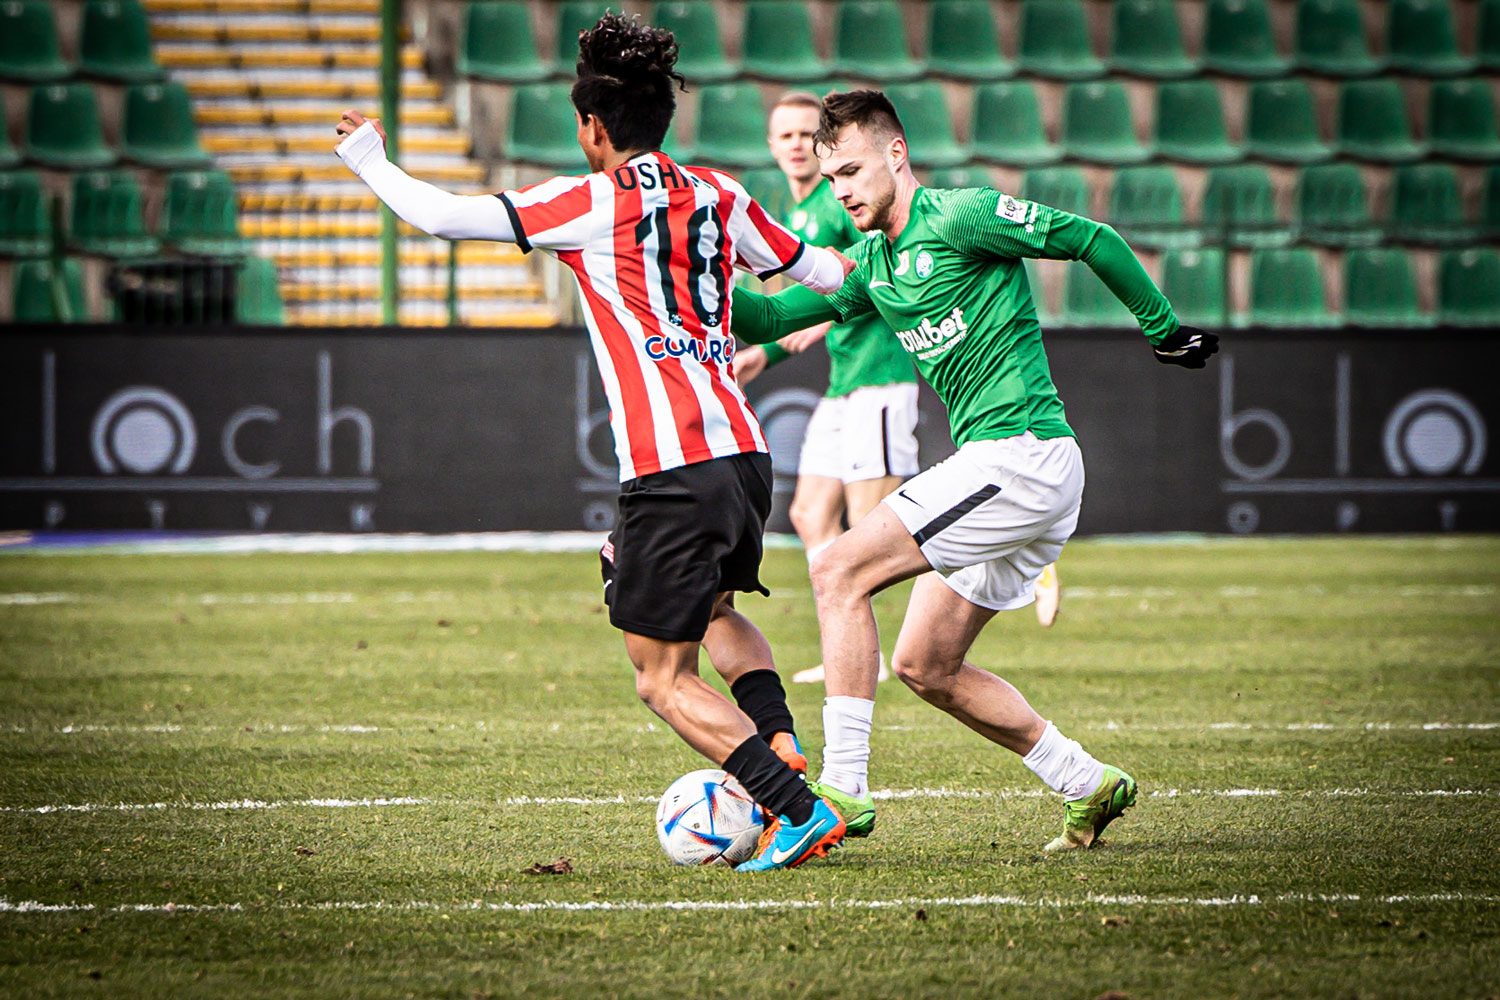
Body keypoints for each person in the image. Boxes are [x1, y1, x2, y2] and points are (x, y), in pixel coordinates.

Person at [333, 13, 855, 871]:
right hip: (743, 455)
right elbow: (827, 273)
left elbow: (443, 217)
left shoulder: (588, 202)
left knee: (662, 679)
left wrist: (368, 159)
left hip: (671, 464)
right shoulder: (721, 194)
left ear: (593, 129)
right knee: (714, 613)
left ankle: (795, 810)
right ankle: (778, 740)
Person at [731, 90, 1219, 856]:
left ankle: (843, 791)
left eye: (852, 171)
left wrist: (1162, 329)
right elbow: (771, 318)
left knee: (835, 569)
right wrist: (682, 284)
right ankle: (1088, 782)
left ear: (896, 153)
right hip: (1004, 469)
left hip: (1022, 454)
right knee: (925, 665)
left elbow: (1090, 237)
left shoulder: (961, 215)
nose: (842, 191)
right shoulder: (872, 266)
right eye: (832, 180)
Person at [732, 91, 921, 687]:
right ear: (771, 145)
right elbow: (796, 308)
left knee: (870, 530)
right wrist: (762, 354)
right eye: (783, 135)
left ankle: (988, 555)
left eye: (803, 135)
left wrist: (823, 317)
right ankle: (849, 647)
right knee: (810, 513)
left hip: (880, 376)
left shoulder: (845, 201)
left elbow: (872, 269)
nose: (794, 145)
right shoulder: (797, 213)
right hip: (843, 383)